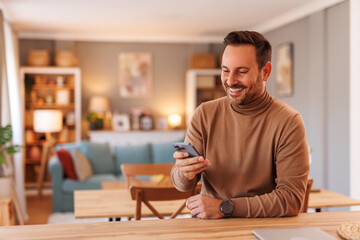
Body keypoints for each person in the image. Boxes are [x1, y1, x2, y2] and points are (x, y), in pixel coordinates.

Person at [171, 31, 309, 219]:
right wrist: (183, 172)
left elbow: (291, 200)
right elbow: (182, 186)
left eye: (242, 71)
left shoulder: (288, 121)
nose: (230, 80)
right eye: (225, 70)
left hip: (265, 229)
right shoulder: (204, 114)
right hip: (210, 228)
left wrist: (225, 207)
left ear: (266, 71)